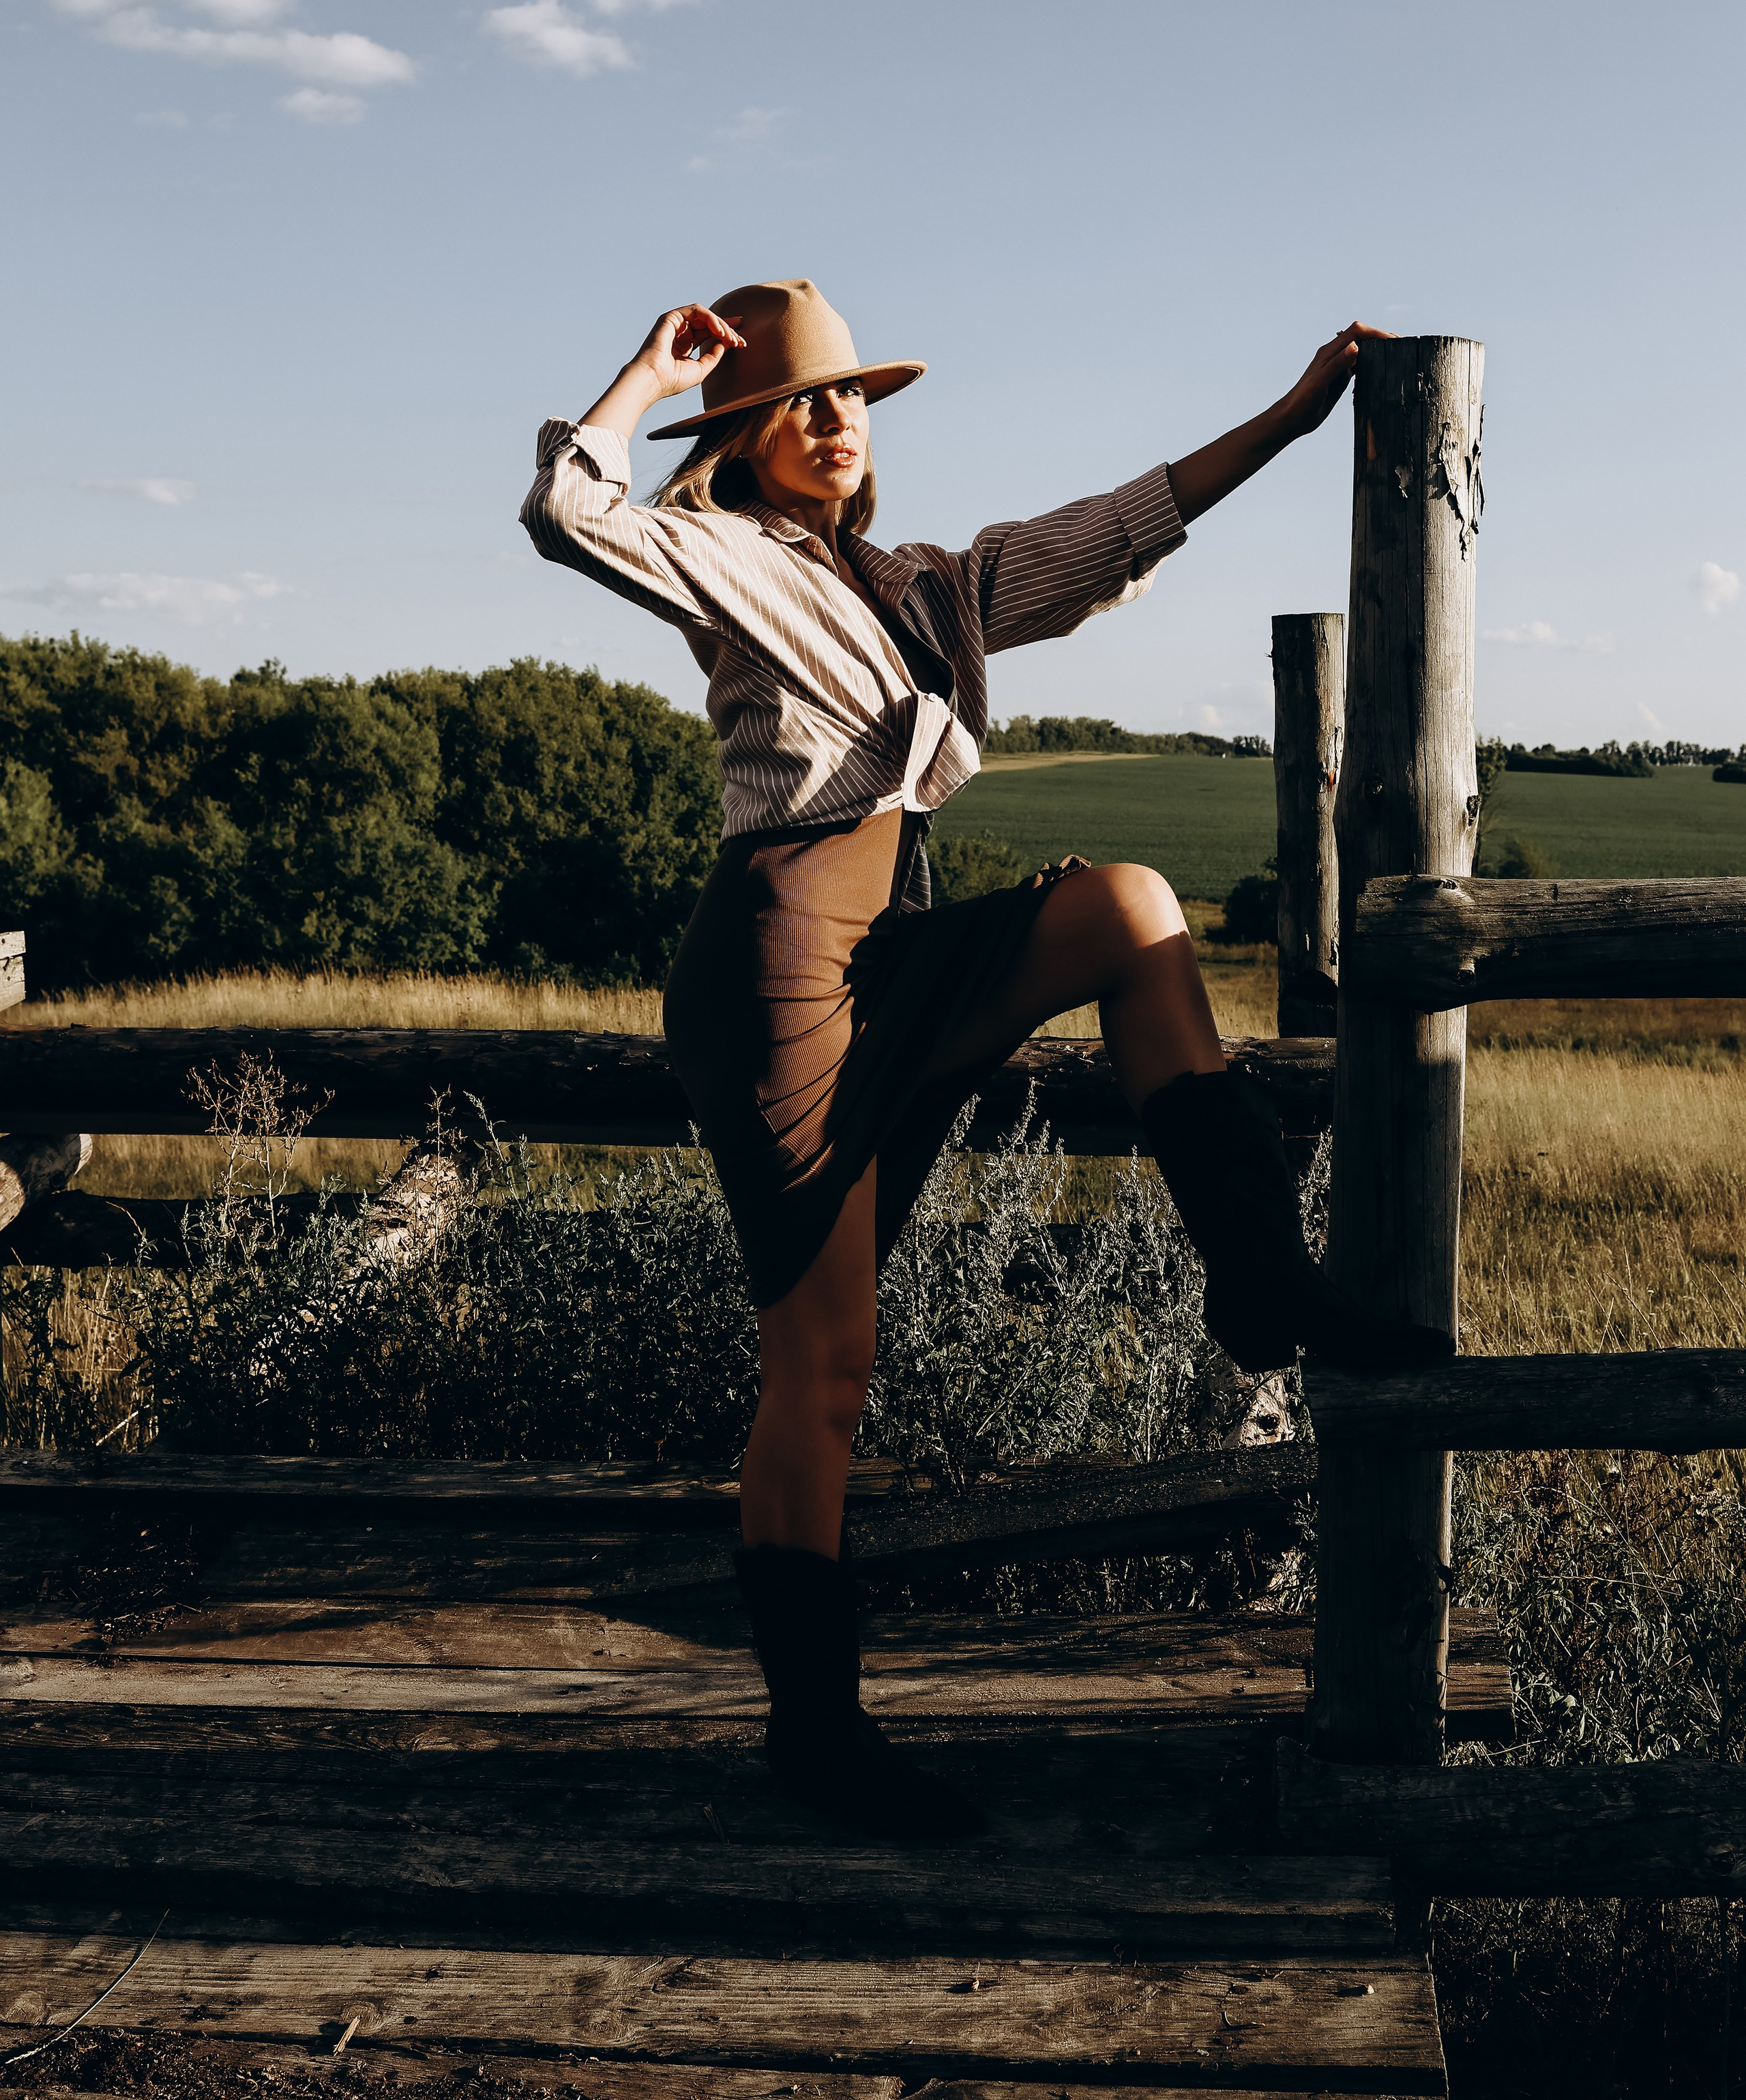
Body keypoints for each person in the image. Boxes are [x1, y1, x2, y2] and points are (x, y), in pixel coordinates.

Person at [520, 278, 1451, 1841]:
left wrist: (1290, 421)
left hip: (897, 953)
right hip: (777, 976)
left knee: (1127, 907)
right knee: (823, 1372)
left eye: (851, 397)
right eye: (796, 401)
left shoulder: (928, 590)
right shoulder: (723, 558)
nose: (834, 419)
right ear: (738, 439)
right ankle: (815, 1739)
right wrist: (644, 375)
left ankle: (1256, 1279)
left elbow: (1124, 520)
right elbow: (564, 506)